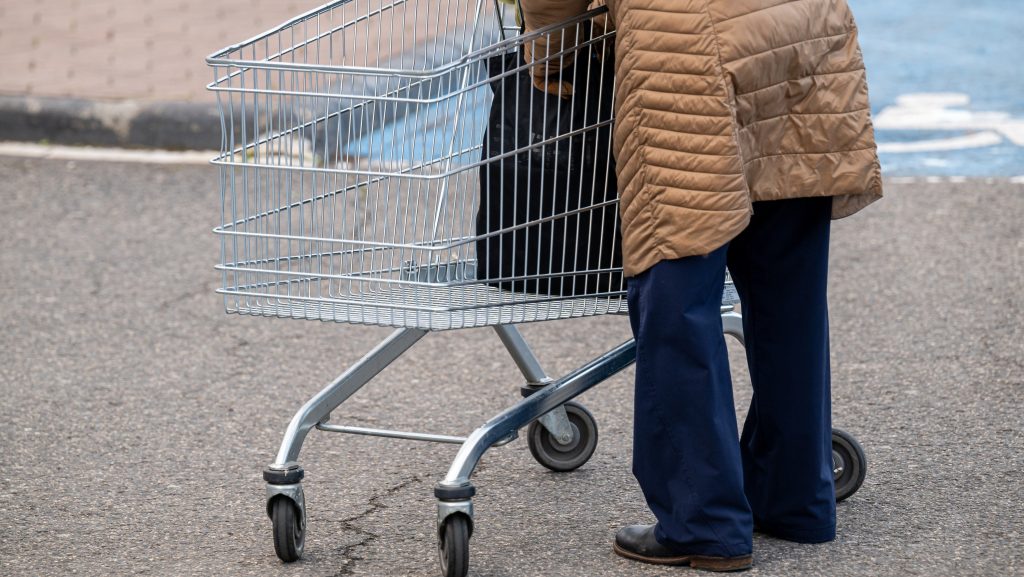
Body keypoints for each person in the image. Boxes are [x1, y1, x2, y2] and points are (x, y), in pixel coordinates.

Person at [517, 0, 883, 571]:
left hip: (684, 58)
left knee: (677, 294)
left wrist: (548, 58)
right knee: (789, 295)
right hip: (804, 37)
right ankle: (794, 500)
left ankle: (704, 522)